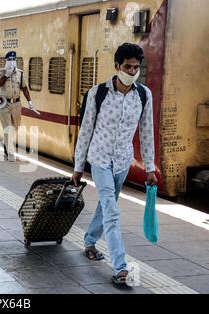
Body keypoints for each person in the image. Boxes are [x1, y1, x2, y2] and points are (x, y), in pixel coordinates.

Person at [72, 43, 157, 286]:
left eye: (136, 67)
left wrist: (149, 168)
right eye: (127, 67)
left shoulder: (144, 94)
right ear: (117, 66)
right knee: (111, 210)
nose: (132, 72)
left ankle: (89, 240)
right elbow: (86, 131)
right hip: (99, 158)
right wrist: (78, 166)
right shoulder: (97, 93)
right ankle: (120, 267)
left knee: (107, 204)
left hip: (122, 161)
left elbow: (146, 132)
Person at [0, 51, 37, 161]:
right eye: (10, 60)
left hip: (17, 104)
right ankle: (10, 153)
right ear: (6, 61)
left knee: (15, 127)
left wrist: (30, 102)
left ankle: (6, 143)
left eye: (14, 60)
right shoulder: (1, 72)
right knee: (8, 128)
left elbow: (25, 88)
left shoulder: (20, 73)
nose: (12, 62)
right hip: (5, 103)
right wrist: (6, 75)